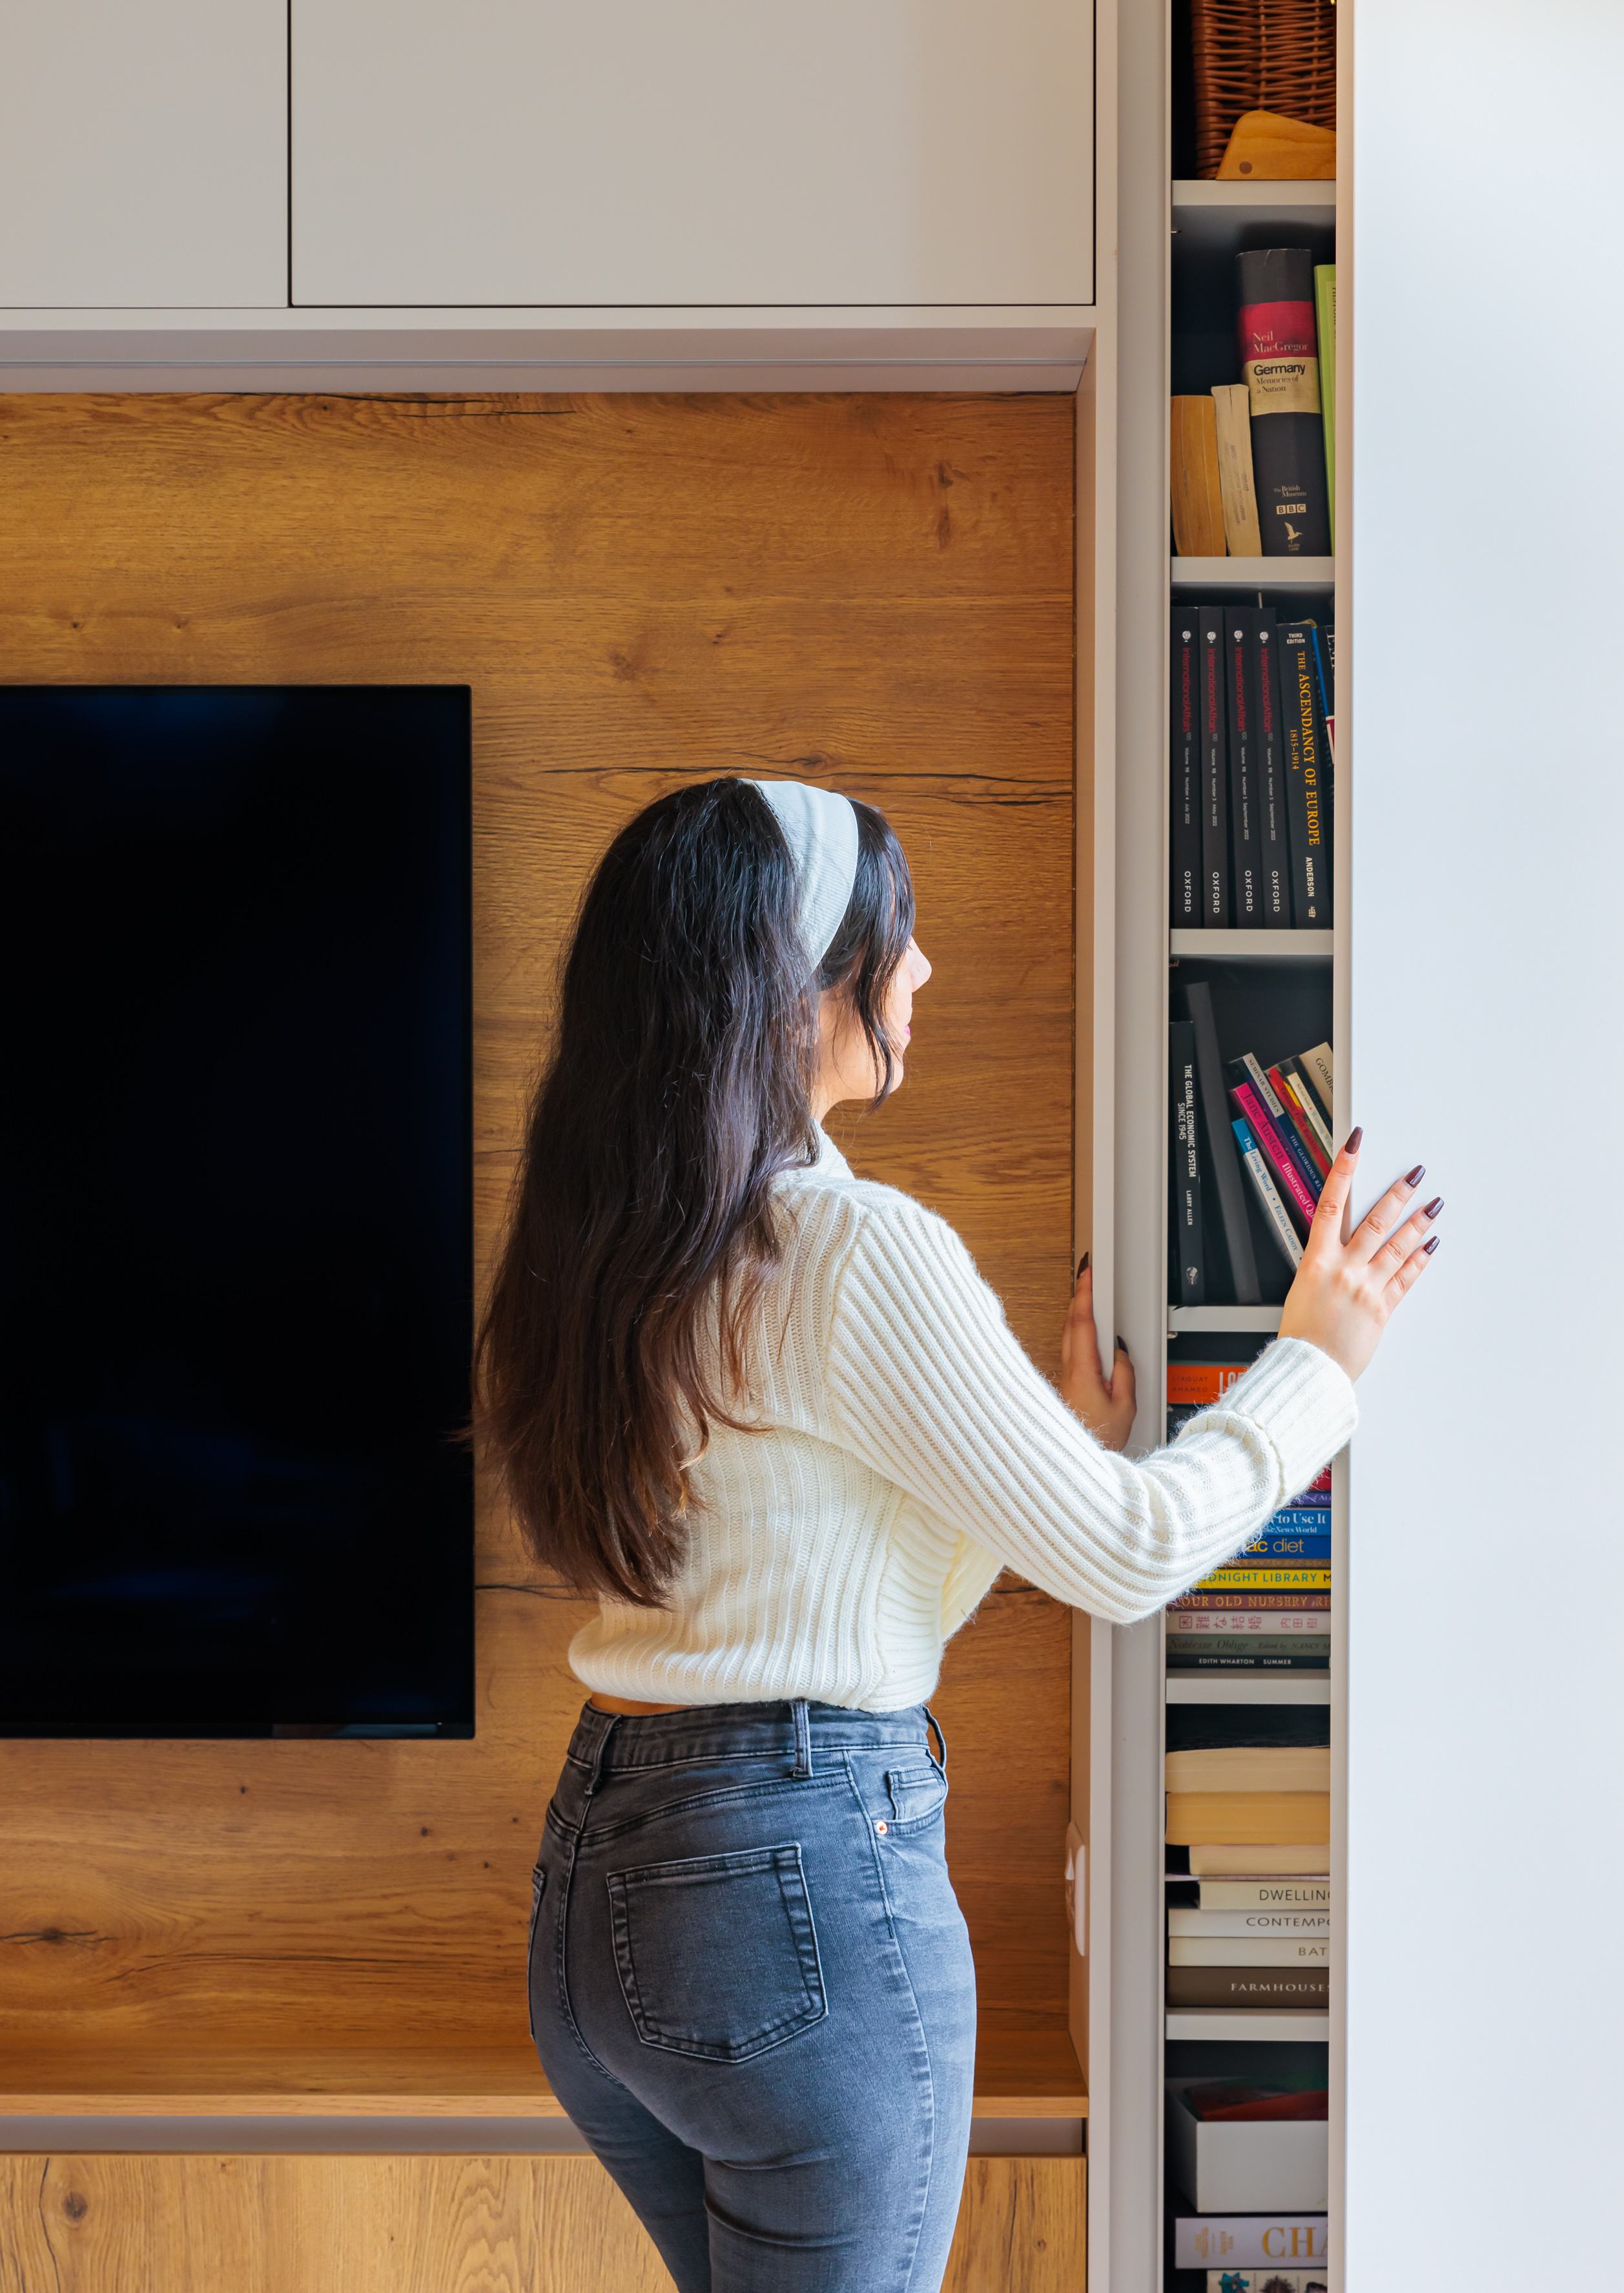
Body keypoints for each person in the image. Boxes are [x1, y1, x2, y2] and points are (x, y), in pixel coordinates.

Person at [473, 777, 1437, 2293]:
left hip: (604, 1900)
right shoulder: (851, 1247)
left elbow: (828, 1579)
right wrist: (1321, 1356)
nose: (921, 970)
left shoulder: (612, 1247)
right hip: (788, 1889)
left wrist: (1041, 1445)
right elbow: (1129, 1558)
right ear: (797, 988)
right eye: (894, 936)